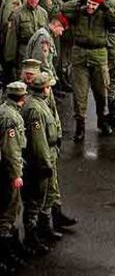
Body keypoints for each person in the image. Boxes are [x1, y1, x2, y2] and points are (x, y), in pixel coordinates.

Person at [63, 0, 115, 142]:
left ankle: (103, 120)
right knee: (79, 94)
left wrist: (106, 8)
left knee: (101, 92)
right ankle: (80, 127)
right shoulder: (79, 12)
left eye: (94, 4)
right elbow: (64, 9)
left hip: (98, 55)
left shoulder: (104, 15)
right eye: (89, 3)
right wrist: (78, 1)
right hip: (79, 55)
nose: (90, 7)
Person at [22, 72, 59, 256]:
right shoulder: (35, 109)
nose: (50, 89)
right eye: (48, 86)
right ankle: (31, 237)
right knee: (35, 200)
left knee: (46, 196)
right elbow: (39, 141)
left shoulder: (40, 103)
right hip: (40, 162)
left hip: (48, 156)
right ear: (42, 89)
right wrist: (45, 164)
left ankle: (43, 230)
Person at [0, 81, 27, 273]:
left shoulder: (3, 110)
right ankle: (4, 256)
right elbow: (11, 150)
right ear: (22, 98)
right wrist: (17, 174)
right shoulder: (12, 119)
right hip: (8, 171)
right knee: (9, 212)